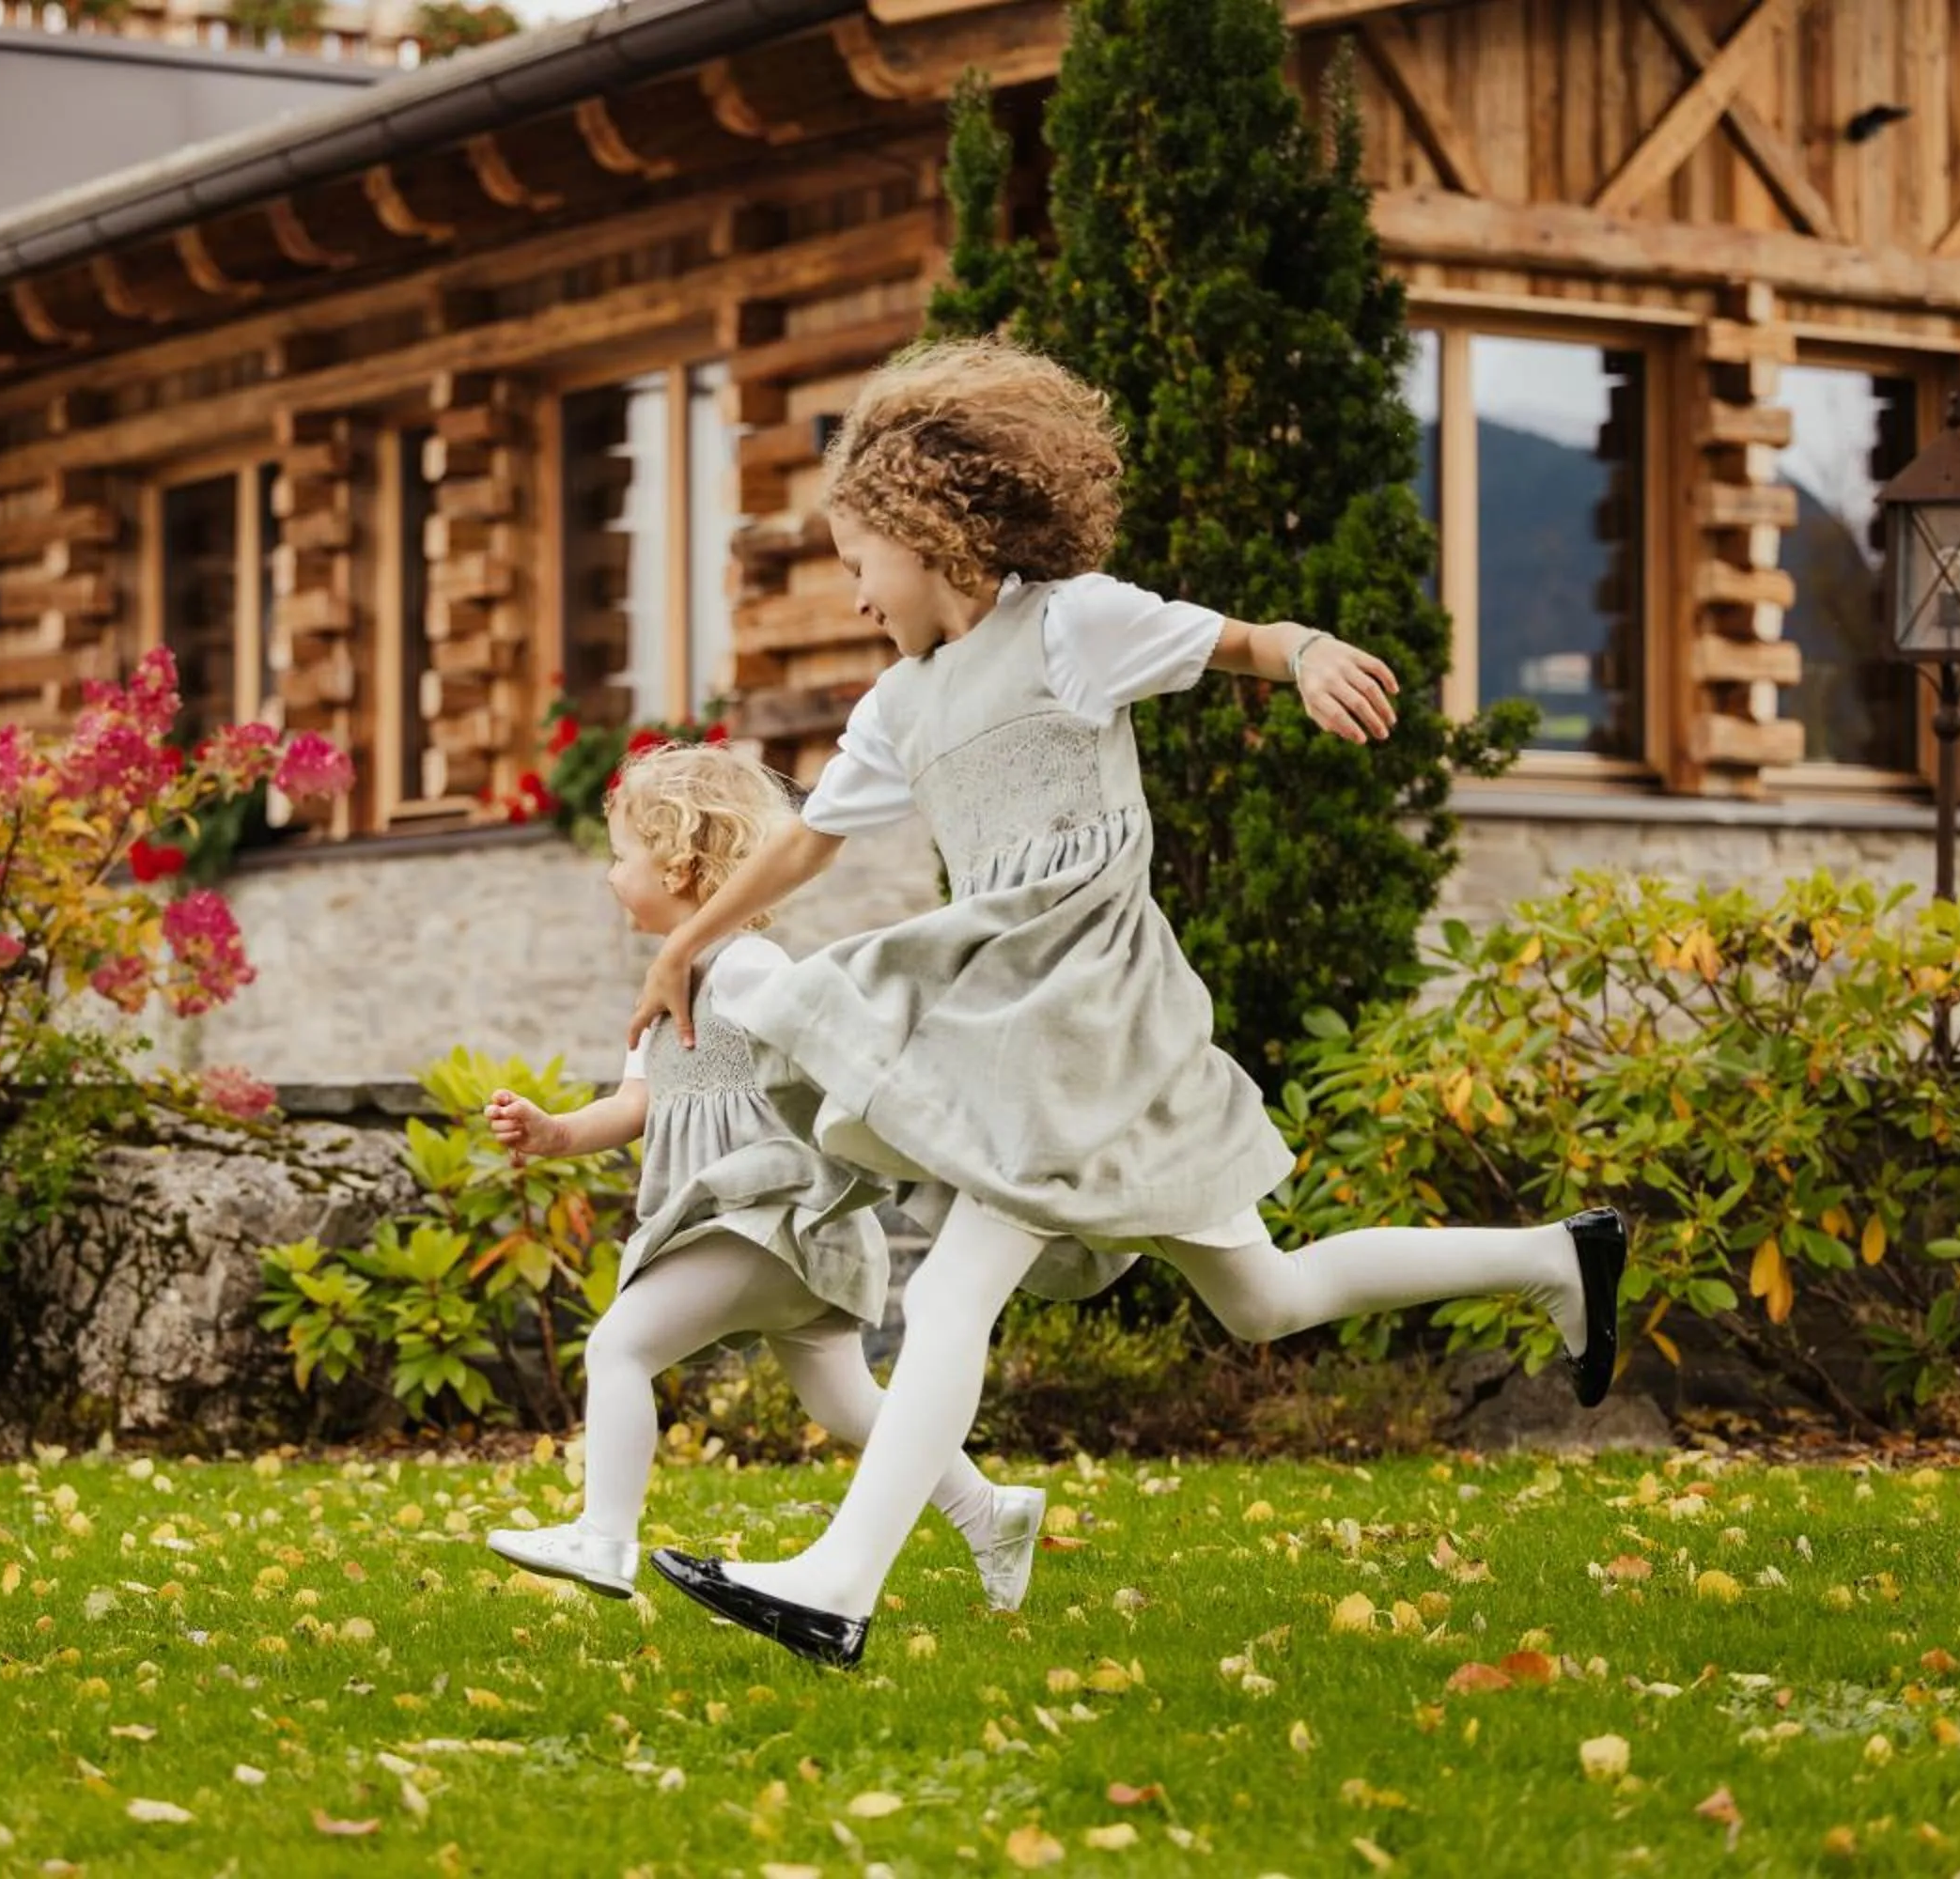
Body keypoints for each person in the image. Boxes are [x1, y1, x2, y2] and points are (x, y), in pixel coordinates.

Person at [630, 337, 1627, 1668]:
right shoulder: (898, 707)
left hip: (1090, 1015)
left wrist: (1313, 651)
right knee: (1264, 1296)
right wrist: (686, 943)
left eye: (859, 561)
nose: (855, 594)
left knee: (948, 1301)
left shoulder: (1070, 624)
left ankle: (837, 1586)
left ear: (932, 538)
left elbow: (1243, 642)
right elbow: (805, 843)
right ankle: (1559, 1257)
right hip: (1021, 1021)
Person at [481, 741, 1046, 1612]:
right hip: (757, 1226)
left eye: (622, 855)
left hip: (767, 1210)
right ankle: (989, 1511)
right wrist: (554, 1133)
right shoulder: (664, 981)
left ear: (680, 860)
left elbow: (832, 1050)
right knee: (850, 1404)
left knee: (619, 1346)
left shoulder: (746, 968)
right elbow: (640, 1102)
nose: (609, 876)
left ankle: (604, 1536)